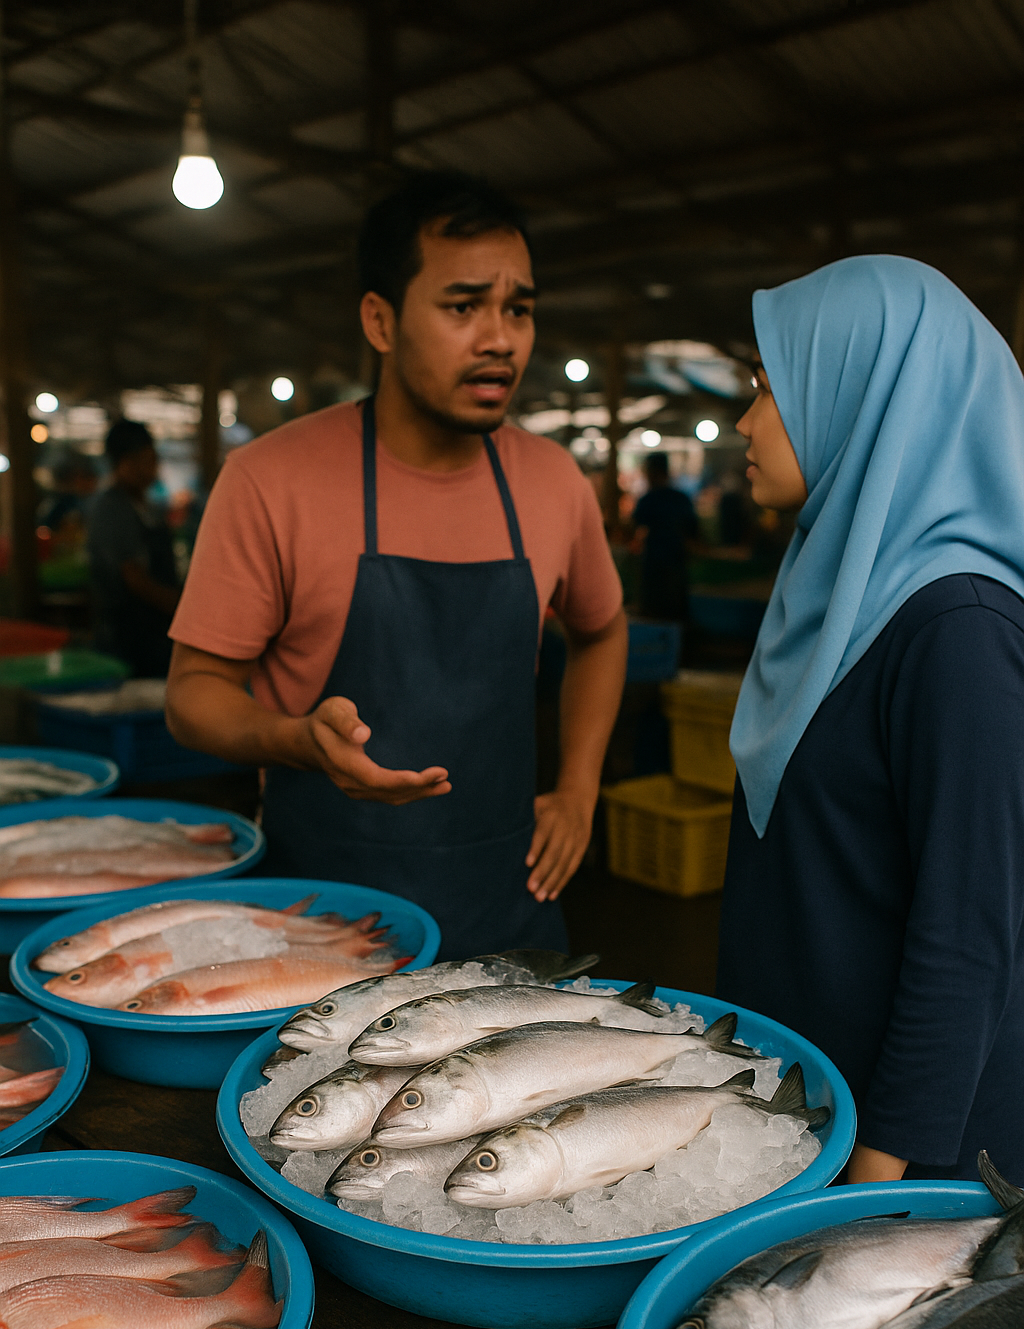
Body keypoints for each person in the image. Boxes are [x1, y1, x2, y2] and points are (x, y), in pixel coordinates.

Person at [165, 172, 627, 959]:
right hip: (321, 924)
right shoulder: (273, 479)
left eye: (518, 309)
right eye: (463, 306)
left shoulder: (553, 482)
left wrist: (580, 789)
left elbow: (604, 632)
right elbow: (193, 697)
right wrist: (296, 738)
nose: (500, 338)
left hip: (505, 912)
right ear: (380, 321)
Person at [716, 254, 1024, 1185]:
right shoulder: (838, 591)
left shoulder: (958, 628)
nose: (744, 422)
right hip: (813, 1108)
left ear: (865, 395)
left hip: (910, 1162)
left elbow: (967, 938)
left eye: (768, 390)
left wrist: (873, 1187)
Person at [86, 419, 180, 676]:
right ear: (126, 462)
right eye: (149, 460)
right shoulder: (112, 509)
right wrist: (181, 608)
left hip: (154, 636)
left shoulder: (144, 505)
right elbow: (134, 577)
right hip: (127, 641)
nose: (154, 468)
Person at [632, 451, 698, 620]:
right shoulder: (681, 498)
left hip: (654, 563)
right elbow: (693, 531)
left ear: (652, 472)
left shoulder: (648, 500)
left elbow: (636, 529)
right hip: (677, 562)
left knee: (653, 611)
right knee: (675, 611)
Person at [37, 449, 97, 535]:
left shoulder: (88, 501)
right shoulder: (62, 503)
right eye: (87, 478)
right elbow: (45, 531)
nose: (92, 483)